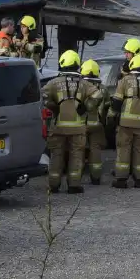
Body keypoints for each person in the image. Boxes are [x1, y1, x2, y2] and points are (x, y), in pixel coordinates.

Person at [41, 50, 99, 194]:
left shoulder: (53, 83)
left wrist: (53, 106)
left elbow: (43, 95)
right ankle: (74, 185)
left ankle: (54, 185)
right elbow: (98, 94)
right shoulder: (84, 83)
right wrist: (86, 106)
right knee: (76, 156)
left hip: (58, 127)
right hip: (78, 128)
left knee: (56, 156)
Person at [111, 54, 140, 188]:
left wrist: (113, 117)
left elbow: (116, 102)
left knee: (123, 150)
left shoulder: (124, 81)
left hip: (125, 123)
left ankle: (121, 180)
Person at [80, 59, 108, 185]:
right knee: (95, 150)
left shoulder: (80, 86)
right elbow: (107, 105)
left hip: (81, 124)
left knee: (78, 150)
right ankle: (96, 177)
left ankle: (76, 178)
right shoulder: (103, 89)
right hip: (96, 124)